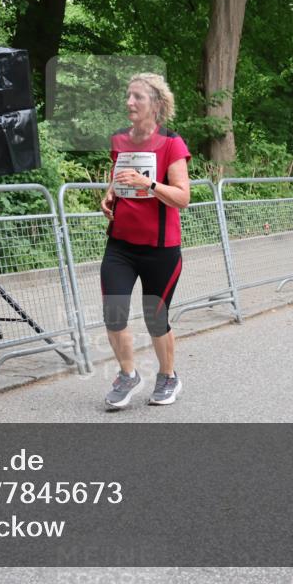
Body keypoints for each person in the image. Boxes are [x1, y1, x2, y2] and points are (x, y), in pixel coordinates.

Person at [99, 73, 191, 409]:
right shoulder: (120, 140)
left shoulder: (171, 143)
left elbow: (182, 197)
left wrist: (148, 184)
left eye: (137, 96)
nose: (129, 102)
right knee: (114, 312)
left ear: (156, 103)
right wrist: (109, 195)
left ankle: (168, 376)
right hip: (121, 244)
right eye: (128, 96)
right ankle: (127, 374)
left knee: (155, 318)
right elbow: (119, 179)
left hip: (161, 248)